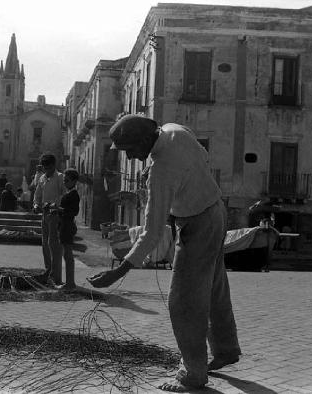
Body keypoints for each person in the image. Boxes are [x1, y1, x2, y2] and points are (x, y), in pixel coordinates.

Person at [87, 115, 241, 392]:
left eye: (131, 150)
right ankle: (225, 350)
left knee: (183, 300)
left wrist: (119, 271)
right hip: (216, 210)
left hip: (198, 223)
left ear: (146, 139)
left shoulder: (160, 171)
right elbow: (202, 156)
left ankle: (193, 373)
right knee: (214, 287)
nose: (132, 158)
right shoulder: (176, 130)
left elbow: (152, 232)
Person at [33, 154, 65, 285]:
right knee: (45, 244)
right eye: (45, 168)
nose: (47, 170)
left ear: (54, 166)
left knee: (54, 245)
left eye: (49, 167)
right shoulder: (42, 178)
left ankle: (56, 276)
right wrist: (36, 204)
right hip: (45, 215)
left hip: (56, 214)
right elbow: (37, 194)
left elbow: (64, 195)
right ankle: (48, 271)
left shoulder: (60, 177)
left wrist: (52, 204)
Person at [56, 168, 80, 290]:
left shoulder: (74, 194)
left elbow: (74, 211)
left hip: (68, 224)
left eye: (67, 180)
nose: (64, 182)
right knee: (66, 254)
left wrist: (60, 209)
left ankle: (70, 283)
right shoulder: (69, 193)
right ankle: (69, 282)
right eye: (64, 180)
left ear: (74, 181)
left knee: (68, 254)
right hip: (64, 224)